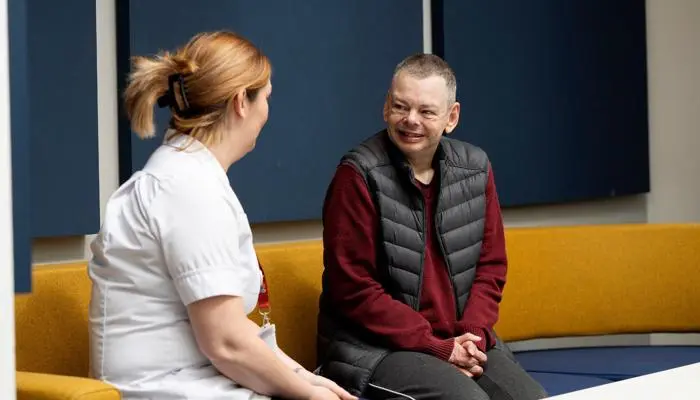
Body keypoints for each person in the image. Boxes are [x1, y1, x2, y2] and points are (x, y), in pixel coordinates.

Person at [88, 31, 355, 400]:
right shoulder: (185, 188)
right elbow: (226, 343)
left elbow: (237, 335)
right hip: (169, 390)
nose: (267, 112)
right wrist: (309, 396)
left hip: (199, 382)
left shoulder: (188, 176)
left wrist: (307, 379)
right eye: (266, 98)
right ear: (240, 103)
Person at [316, 53, 548, 400]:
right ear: (385, 107)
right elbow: (354, 289)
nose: (410, 120)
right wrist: (437, 347)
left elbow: (491, 266)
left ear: (451, 117)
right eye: (400, 107)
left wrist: (472, 334)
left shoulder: (475, 167)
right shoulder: (358, 175)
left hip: (459, 338)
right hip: (374, 349)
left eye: (426, 111)